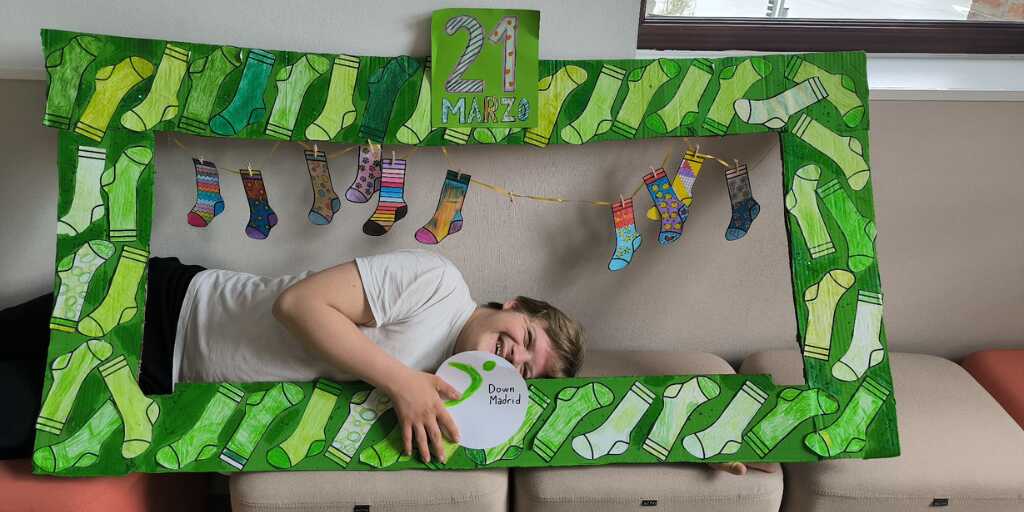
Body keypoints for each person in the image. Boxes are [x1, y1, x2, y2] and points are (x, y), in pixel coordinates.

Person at [1, 248, 763, 474]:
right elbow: (297, 307)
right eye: (527, 338)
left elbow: (575, 430)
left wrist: (700, 440)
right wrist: (400, 381)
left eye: (529, 371)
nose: (518, 358)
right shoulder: (439, 285)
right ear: (511, 305)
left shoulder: (459, 403)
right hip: (162, 312)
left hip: (163, 391)